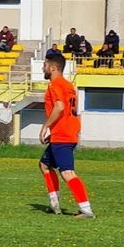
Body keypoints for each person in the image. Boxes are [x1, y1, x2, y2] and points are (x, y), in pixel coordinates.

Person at [39, 53, 94, 219]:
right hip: (65, 133)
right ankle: (54, 203)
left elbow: (60, 106)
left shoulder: (54, 85)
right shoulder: (69, 86)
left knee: (67, 172)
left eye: (45, 65)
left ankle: (86, 209)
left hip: (63, 135)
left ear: (53, 68)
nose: (43, 68)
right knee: (44, 165)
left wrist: (45, 126)